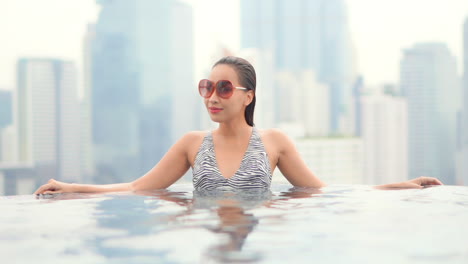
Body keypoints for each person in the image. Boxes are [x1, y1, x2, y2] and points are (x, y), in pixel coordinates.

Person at [34, 56, 443, 195]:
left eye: (224, 88)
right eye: (207, 86)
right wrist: (70, 187)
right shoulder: (192, 144)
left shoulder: (275, 142)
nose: (213, 95)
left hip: (257, 242)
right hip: (206, 239)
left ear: (248, 96)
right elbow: (137, 187)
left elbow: (322, 192)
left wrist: (399, 187)